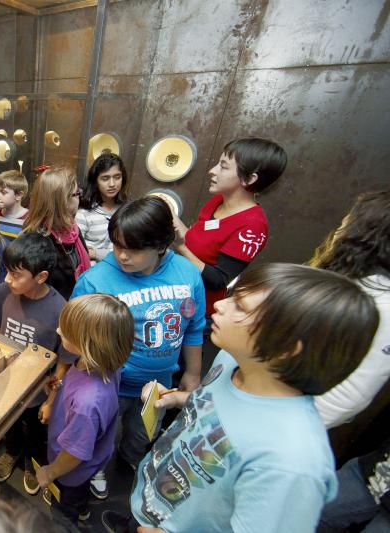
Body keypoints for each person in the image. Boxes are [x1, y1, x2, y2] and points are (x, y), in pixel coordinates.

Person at [101, 263, 379, 533]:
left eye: (241, 306)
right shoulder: (232, 360)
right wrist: (177, 398)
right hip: (152, 502)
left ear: (285, 349)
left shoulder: (291, 463)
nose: (221, 305)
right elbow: (217, 406)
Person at [72, 196, 205, 475]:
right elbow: (75, 335)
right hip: (109, 384)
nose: (122, 255)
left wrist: (192, 373)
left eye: (133, 249)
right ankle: (97, 470)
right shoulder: (95, 281)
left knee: (142, 435)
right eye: (118, 245)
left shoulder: (188, 275)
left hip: (160, 387)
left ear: (161, 244)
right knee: (98, 437)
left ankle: (129, 461)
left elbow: (194, 327)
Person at [36, 293, 134, 524]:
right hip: (90, 453)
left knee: (67, 503)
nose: (59, 331)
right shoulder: (102, 365)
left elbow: (74, 455)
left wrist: (49, 472)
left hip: (70, 471)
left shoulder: (87, 404)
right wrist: (57, 390)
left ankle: (73, 514)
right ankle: (80, 507)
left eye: (66, 331)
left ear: (90, 345)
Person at [172, 137, 287, 318]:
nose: (212, 171)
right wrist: (169, 216)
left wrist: (181, 248)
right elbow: (196, 242)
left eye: (223, 167)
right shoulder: (218, 201)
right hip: (174, 288)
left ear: (249, 178)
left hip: (194, 309)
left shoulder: (253, 227)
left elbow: (218, 280)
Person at [0, 232, 67, 495]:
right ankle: (12, 452)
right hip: (7, 381)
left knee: (36, 433)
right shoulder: (2, 293)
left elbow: (64, 360)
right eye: (7, 272)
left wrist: (51, 399)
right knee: (8, 425)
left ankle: (32, 463)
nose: (8, 280)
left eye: (16, 275)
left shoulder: (60, 310)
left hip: (37, 390)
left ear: (41, 277)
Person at [310, 189, 390, 428]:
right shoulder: (350, 278)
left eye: (346, 223)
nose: (339, 230)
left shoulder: (384, 309)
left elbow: (345, 398)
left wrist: (274, 422)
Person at [22, 166, 90, 300]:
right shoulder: (37, 243)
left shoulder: (72, 228)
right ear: (62, 201)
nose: (80, 197)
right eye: (77, 193)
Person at [76, 153, 128, 264]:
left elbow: (131, 248)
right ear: (96, 181)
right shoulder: (84, 213)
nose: (112, 184)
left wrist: (95, 253)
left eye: (117, 177)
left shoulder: (128, 210)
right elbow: (77, 252)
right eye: (105, 178)